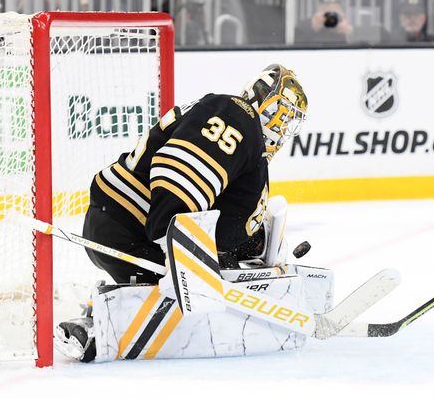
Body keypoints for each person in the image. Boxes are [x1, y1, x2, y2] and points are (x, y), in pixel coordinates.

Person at [55, 64, 310, 362]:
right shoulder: (236, 115)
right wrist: (174, 244)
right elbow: (179, 170)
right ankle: (98, 322)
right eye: (285, 115)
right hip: (130, 229)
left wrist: (255, 242)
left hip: (124, 225)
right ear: (267, 105)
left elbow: (227, 219)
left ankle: (106, 304)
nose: (284, 129)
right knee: (187, 295)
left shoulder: (246, 138)